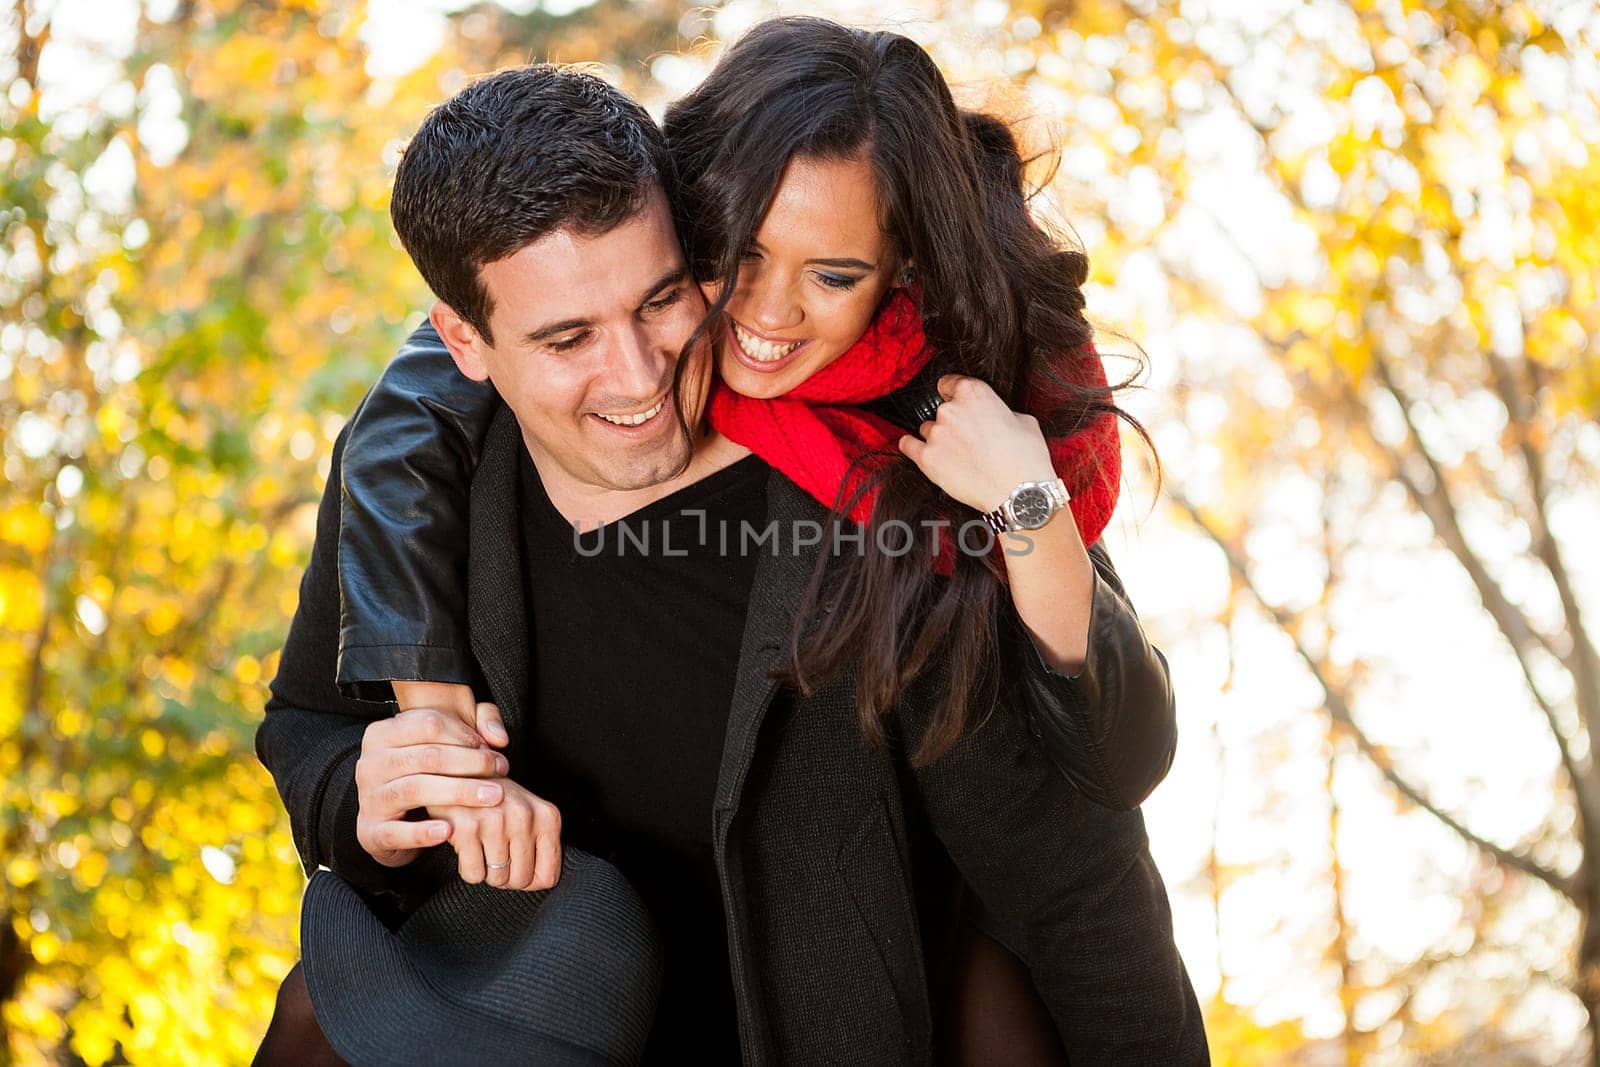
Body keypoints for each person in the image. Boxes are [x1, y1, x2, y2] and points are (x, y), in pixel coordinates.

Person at [258, 51, 1205, 1067]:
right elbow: (309, 727)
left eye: (661, 300)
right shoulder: (419, 480)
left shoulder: (897, 507)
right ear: (465, 339)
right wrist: (369, 794)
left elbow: (1073, 882)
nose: (636, 373)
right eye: (567, 337)